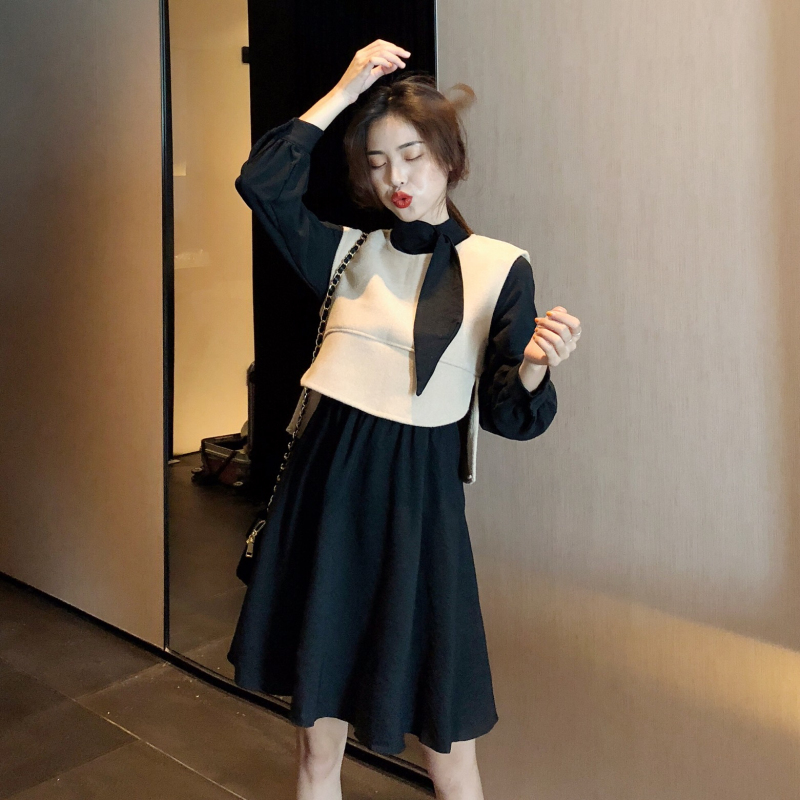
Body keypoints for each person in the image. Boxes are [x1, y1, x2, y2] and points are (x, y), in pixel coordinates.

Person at [226, 39, 582, 800]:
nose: (396, 179)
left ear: (450, 159)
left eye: (413, 157)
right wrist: (346, 90)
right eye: (379, 162)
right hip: (324, 496)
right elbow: (262, 180)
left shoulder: (499, 266)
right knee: (315, 749)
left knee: (449, 752)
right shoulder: (348, 253)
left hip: (419, 513)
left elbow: (510, 415)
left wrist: (534, 365)